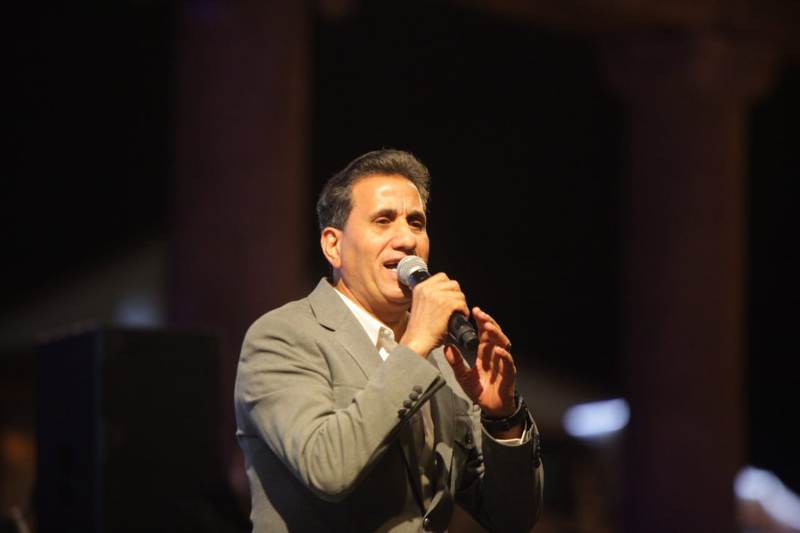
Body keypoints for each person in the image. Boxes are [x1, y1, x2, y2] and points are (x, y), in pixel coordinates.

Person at [234, 149, 543, 532]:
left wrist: (502, 418)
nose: (407, 239)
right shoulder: (281, 336)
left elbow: (511, 518)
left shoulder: (443, 358)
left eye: (416, 223)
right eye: (383, 220)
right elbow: (327, 468)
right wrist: (414, 346)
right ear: (333, 246)